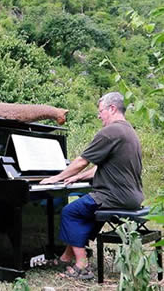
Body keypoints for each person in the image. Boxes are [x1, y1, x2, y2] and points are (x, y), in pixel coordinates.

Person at [40, 91, 144, 280]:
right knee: (85, 209)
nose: (98, 115)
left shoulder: (110, 131)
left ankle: (82, 266)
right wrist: (78, 177)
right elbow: (99, 168)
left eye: (101, 111)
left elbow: (82, 161)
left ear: (112, 109)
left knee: (70, 212)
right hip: (131, 196)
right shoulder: (128, 130)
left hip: (114, 196)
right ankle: (66, 257)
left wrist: (57, 178)